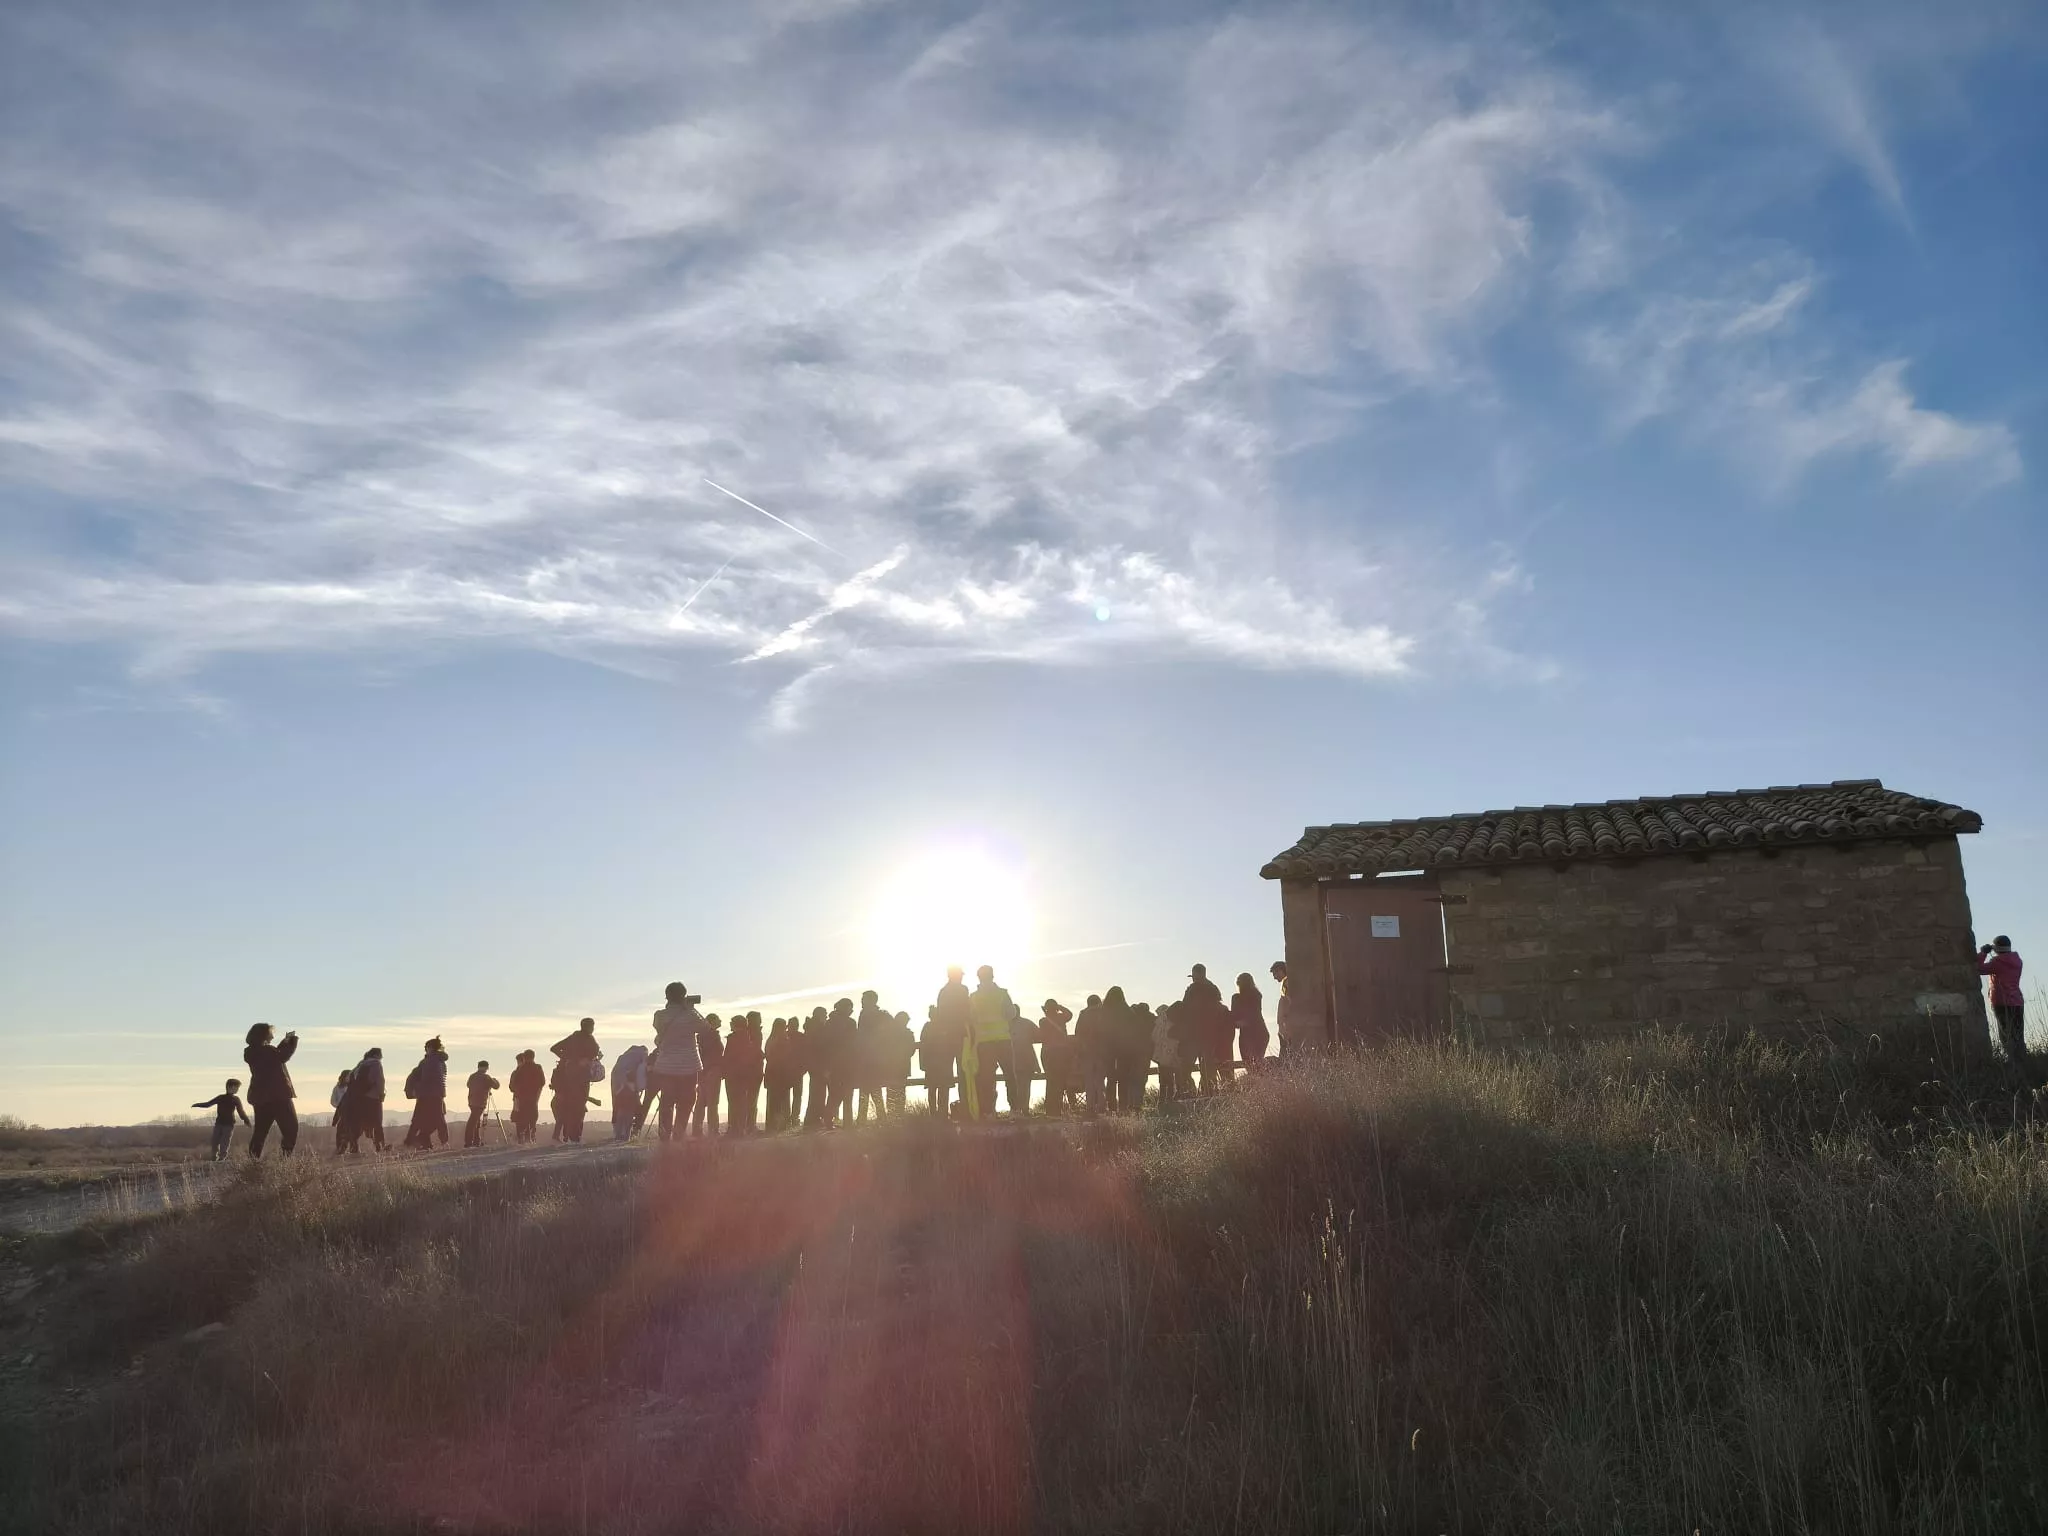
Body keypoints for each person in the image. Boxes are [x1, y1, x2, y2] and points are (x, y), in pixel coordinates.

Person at [648, 983, 704, 1142]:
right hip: (689, 1065)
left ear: (667, 996)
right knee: (686, 1101)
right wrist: (690, 1008)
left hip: (666, 1066)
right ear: (683, 997)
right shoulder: (690, 1015)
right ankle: (679, 1133)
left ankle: (664, 1135)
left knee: (667, 1101)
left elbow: (658, 1027)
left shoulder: (659, 1015)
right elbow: (705, 1027)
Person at [967, 965, 1021, 1120]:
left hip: (984, 1042)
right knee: (1010, 1075)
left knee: (987, 1078)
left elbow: (972, 1018)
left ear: (979, 977)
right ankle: (1015, 1110)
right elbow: (1011, 1013)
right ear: (992, 976)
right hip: (1003, 1039)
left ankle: (988, 1111)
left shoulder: (974, 997)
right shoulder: (1002, 994)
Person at [243, 1022, 300, 1158]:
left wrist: (283, 1043)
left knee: (260, 1132)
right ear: (263, 1035)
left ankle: (253, 1163)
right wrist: (291, 1042)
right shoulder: (267, 1051)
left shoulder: (251, 1052)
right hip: (278, 1096)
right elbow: (282, 1057)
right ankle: (285, 1160)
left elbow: (276, 1056)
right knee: (291, 1129)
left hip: (260, 1097)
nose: (272, 1037)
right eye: (270, 1033)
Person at [550, 1018, 603, 1143]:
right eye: (592, 1026)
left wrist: (567, 1059)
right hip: (581, 1078)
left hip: (568, 1077)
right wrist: (576, 1060)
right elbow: (595, 1052)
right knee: (578, 1107)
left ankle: (567, 1136)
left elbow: (554, 1048)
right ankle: (574, 1137)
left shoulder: (573, 1038)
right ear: (589, 1027)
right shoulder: (588, 1040)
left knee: (570, 1106)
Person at [929, 968, 972, 1117]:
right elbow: (967, 1011)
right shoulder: (962, 990)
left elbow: (941, 1014)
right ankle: (966, 1108)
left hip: (946, 1038)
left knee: (945, 1076)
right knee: (963, 1074)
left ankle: (942, 1112)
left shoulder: (943, 992)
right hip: (960, 1036)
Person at [1978, 936, 2027, 1064]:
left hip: (2001, 1002)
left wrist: (1983, 952)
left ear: (1995, 948)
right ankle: (2022, 1061)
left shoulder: (1997, 963)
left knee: (2005, 1034)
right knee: (2017, 1033)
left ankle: (2011, 1062)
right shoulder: (2017, 961)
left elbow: (1978, 968)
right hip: (2017, 1001)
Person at [1183, 964, 1229, 1092]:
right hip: (1210, 1032)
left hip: (1196, 1032)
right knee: (1208, 1063)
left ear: (1197, 974)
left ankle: (1193, 1090)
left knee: (1188, 1063)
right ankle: (1209, 1089)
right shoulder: (1213, 989)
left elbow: (1185, 1007)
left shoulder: (1192, 989)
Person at [403, 1037, 451, 1150]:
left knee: (423, 1120)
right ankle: (424, 1141)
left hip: (427, 1094)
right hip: (436, 1094)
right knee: (437, 1119)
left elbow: (427, 1079)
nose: (425, 1050)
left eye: (426, 1048)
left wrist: (416, 1090)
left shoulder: (430, 1061)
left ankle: (414, 1141)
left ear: (430, 1048)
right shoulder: (439, 1061)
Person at [339, 1047, 386, 1153]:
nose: (381, 1057)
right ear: (376, 1055)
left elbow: (348, 1080)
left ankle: (349, 1145)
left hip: (358, 1099)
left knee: (357, 1122)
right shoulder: (376, 1064)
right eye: (380, 1055)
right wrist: (381, 1094)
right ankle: (380, 1146)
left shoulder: (360, 1064)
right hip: (372, 1098)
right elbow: (379, 1080)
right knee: (376, 1122)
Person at [725, 1013, 765, 1135]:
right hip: (748, 1074)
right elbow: (757, 1054)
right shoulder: (751, 1036)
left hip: (736, 1074)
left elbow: (728, 1056)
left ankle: (736, 1127)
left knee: (736, 1101)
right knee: (747, 1101)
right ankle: (745, 1127)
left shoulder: (737, 1037)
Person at [854, 991, 891, 1122]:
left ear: (870, 1000)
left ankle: (865, 1118)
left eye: (863, 999)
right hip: (874, 1058)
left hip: (868, 1058)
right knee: (873, 1087)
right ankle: (879, 1116)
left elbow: (861, 1036)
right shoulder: (880, 1015)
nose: (861, 1001)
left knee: (868, 1087)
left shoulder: (867, 1015)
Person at [193, 1079, 251, 1161]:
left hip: (229, 1125)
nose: (237, 1090)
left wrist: (246, 1120)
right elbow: (208, 1104)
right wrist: (198, 1105)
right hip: (219, 1123)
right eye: (237, 1087)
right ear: (230, 1087)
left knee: (225, 1142)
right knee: (215, 1141)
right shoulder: (220, 1097)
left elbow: (241, 1112)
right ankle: (214, 1157)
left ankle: (222, 1158)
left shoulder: (236, 1099)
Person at [1038, 998, 1076, 1115]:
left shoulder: (1043, 1021)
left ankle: (1049, 1109)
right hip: (1061, 1053)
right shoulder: (1061, 1018)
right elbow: (1069, 1014)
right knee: (1059, 1081)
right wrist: (1060, 1007)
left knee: (1050, 1081)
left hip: (1047, 1053)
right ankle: (1057, 1109)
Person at [765, 1018, 803, 1132]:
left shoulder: (770, 1040)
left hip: (772, 1074)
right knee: (782, 1101)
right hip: (781, 1075)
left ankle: (772, 1125)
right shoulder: (782, 1040)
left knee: (772, 1102)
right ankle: (781, 1125)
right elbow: (786, 1056)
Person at [1073, 994, 1108, 1114]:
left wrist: (1079, 1050)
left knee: (1088, 1081)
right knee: (1100, 1080)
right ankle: (1102, 1106)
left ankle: (1090, 1107)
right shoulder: (1104, 1014)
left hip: (1086, 1051)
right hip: (1101, 1052)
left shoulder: (1083, 1014)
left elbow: (1078, 1032)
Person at [693, 1014, 725, 1137]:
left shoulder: (701, 1037)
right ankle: (713, 1130)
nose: (720, 1021)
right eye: (718, 1019)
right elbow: (715, 1054)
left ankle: (697, 1129)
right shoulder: (712, 1036)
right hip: (712, 1070)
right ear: (711, 1022)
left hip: (703, 1072)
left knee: (701, 1101)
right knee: (712, 1102)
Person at [611, 1041, 649, 1141]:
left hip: (617, 1084)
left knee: (618, 1107)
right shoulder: (643, 1054)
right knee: (630, 1109)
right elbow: (642, 1070)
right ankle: (627, 1135)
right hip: (630, 1083)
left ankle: (617, 1134)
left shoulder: (624, 1056)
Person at [1232, 973, 1270, 1071]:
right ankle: (1263, 1084)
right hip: (1261, 1032)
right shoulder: (1257, 996)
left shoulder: (1237, 998)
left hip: (1248, 1035)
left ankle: (1256, 1084)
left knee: (1249, 1065)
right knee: (1257, 1064)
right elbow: (1254, 1014)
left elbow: (1235, 1018)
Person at [508, 1050, 544, 1143]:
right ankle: (531, 1137)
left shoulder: (520, 1069)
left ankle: (522, 1138)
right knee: (532, 1117)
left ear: (524, 1057)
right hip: (533, 1097)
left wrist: (518, 1092)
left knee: (522, 1118)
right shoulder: (538, 1068)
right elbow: (542, 1082)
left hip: (521, 1098)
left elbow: (512, 1086)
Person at [884, 1010, 915, 1115]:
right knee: (900, 1091)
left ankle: (892, 1114)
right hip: (902, 1067)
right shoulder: (908, 1034)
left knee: (892, 1091)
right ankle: (899, 1113)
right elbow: (911, 1050)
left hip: (891, 1067)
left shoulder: (889, 1034)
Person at [463, 1060, 500, 1148]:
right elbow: (496, 1086)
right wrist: (495, 1080)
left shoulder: (472, 1076)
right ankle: (469, 1142)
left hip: (471, 1101)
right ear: (486, 1067)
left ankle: (476, 1141)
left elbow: (468, 1085)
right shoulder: (486, 1077)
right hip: (480, 1102)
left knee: (475, 1120)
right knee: (473, 1121)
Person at [1271, 961, 1297, 1062]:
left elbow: (1288, 1002)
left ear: (1281, 971)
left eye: (1275, 973)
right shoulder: (1286, 982)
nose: (1274, 977)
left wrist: (1284, 1022)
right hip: (1285, 1023)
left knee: (1286, 1053)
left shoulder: (1287, 982)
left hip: (1287, 1024)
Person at [329, 1070, 355, 1153]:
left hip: (352, 1110)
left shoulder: (352, 1087)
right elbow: (333, 1100)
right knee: (341, 1128)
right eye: (348, 1076)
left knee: (352, 1129)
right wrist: (339, 1106)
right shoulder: (337, 1088)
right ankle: (340, 1147)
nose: (349, 1078)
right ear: (343, 1077)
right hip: (341, 1110)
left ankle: (353, 1148)